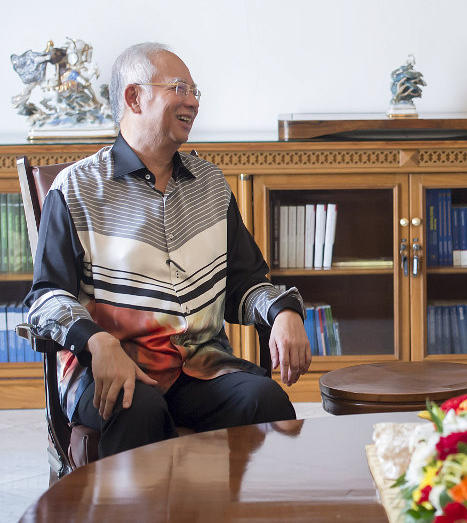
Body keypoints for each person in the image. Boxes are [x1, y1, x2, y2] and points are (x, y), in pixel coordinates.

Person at [25, 42, 312, 457]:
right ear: (133, 97)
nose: (193, 102)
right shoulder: (77, 189)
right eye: (180, 88)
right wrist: (98, 342)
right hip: (109, 366)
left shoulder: (211, 185)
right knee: (134, 404)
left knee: (263, 399)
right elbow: (45, 298)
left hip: (200, 364)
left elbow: (243, 284)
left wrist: (282, 310)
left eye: (196, 91)